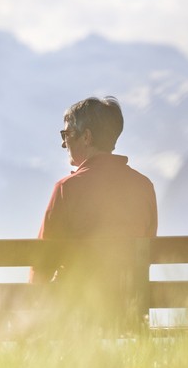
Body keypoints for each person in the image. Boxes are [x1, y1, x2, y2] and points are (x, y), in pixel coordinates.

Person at [36, 96, 158, 328]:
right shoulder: (144, 187)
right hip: (130, 306)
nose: (64, 144)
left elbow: (43, 260)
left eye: (67, 135)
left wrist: (34, 308)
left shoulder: (67, 189)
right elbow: (147, 250)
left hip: (77, 312)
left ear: (87, 137)